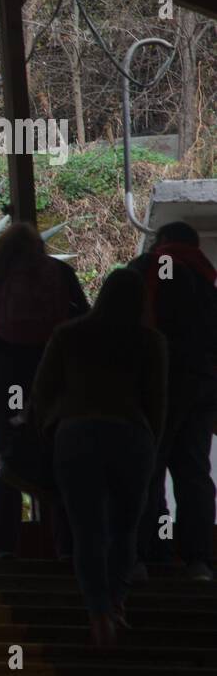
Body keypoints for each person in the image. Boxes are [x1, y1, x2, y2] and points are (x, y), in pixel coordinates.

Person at [31, 268, 167, 645]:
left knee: (87, 530)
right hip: (131, 436)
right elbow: (157, 403)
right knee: (126, 530)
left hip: (77, 435)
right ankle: (117, 603)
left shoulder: (69, 335)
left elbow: (42, 392)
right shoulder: (150, 342)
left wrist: (48, 431)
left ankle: (97, 614)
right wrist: (151, 446)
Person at [0, 222, 90, 556]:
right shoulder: (60, 272)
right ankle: (68, 548)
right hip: (52, 380)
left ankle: (3, 547)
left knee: (8, 457)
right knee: (58, 456)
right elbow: (85, 320)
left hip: (7, 380)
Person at [128, 221, 217, 580]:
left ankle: (148, 554)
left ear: (163, 240)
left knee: (148, 469)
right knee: (193, 471)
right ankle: (198, 560)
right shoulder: (207, 284)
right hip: (201, 389)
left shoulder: (151, 267)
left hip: (157, 385)